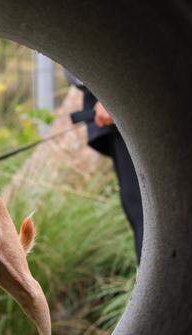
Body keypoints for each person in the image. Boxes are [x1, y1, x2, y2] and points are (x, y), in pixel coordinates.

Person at [66, 72, 144, 264]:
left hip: (129, 106)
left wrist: (112, 96)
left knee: (143, 208)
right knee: (137, 206)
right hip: (115, 116)